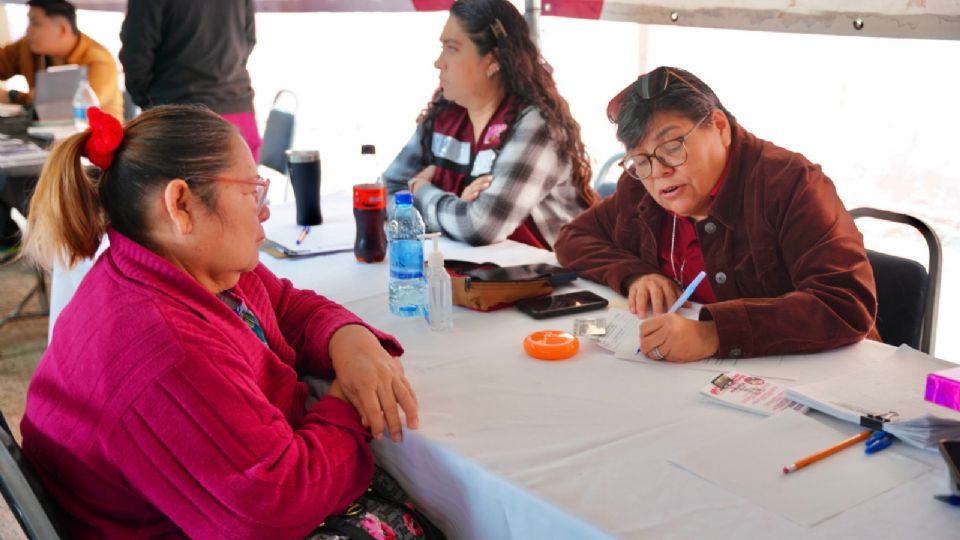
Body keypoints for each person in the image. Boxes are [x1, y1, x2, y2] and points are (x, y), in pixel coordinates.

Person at [19, 105, 420, 538]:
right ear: (181, 204)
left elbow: (287, 307)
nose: (264, 210)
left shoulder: (183, 268)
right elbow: (273, 507)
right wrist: (345, 400)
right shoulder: (164, 348)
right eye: (251, 191)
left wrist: (351, 341)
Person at [555, 67, 879, 362]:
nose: (659, 172)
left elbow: (846, 305)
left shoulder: (791, 184)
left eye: (672, 146)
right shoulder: (640, 186)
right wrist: (635, 274)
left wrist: (714, 334)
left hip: (815, 377)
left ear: (720, 127)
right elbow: (573, 238)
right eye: (641, 159)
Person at [384, 0, 597, 250]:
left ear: (492, 59)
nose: (439, 62)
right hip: (485, 278)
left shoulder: (536, 125)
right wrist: (456, 206)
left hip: (555, 279)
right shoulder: (445, 114)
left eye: (452, 48)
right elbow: (384, 192)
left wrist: (420, 189)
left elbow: (479, 227)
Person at [119, 0, 262, 161]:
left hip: (180, 120)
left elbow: (135, 53)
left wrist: (150, 101)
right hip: (238, 113)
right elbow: (248, 40)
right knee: (246, 185)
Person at [0, 0, 123, 120]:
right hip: (42, 132)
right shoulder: (27, 47)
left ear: (62, 30)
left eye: (35, 23)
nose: (28, 30)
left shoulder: (99, 60)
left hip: (96, 136)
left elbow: (72, 106)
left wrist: (13, 96)